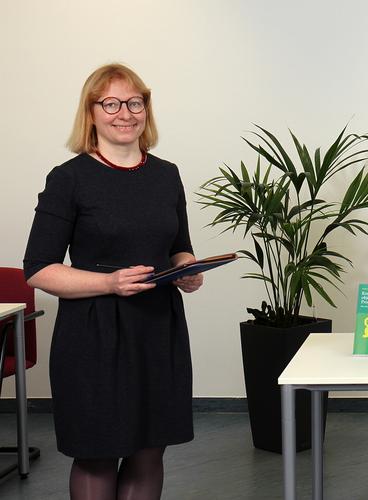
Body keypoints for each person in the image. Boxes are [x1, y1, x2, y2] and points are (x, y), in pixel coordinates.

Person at [23, 63, 203, 500]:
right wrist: (109, 284)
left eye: (135, 102)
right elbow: (38, 268)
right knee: (96, 455)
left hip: (158, 332)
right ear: (91, 113)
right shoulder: (68, 179)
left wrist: (188, 267)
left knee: (149, 453)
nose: (125, 113)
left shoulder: (167, 174)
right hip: (94, 337)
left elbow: (178, 245)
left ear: (146, 109)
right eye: (111, 103)